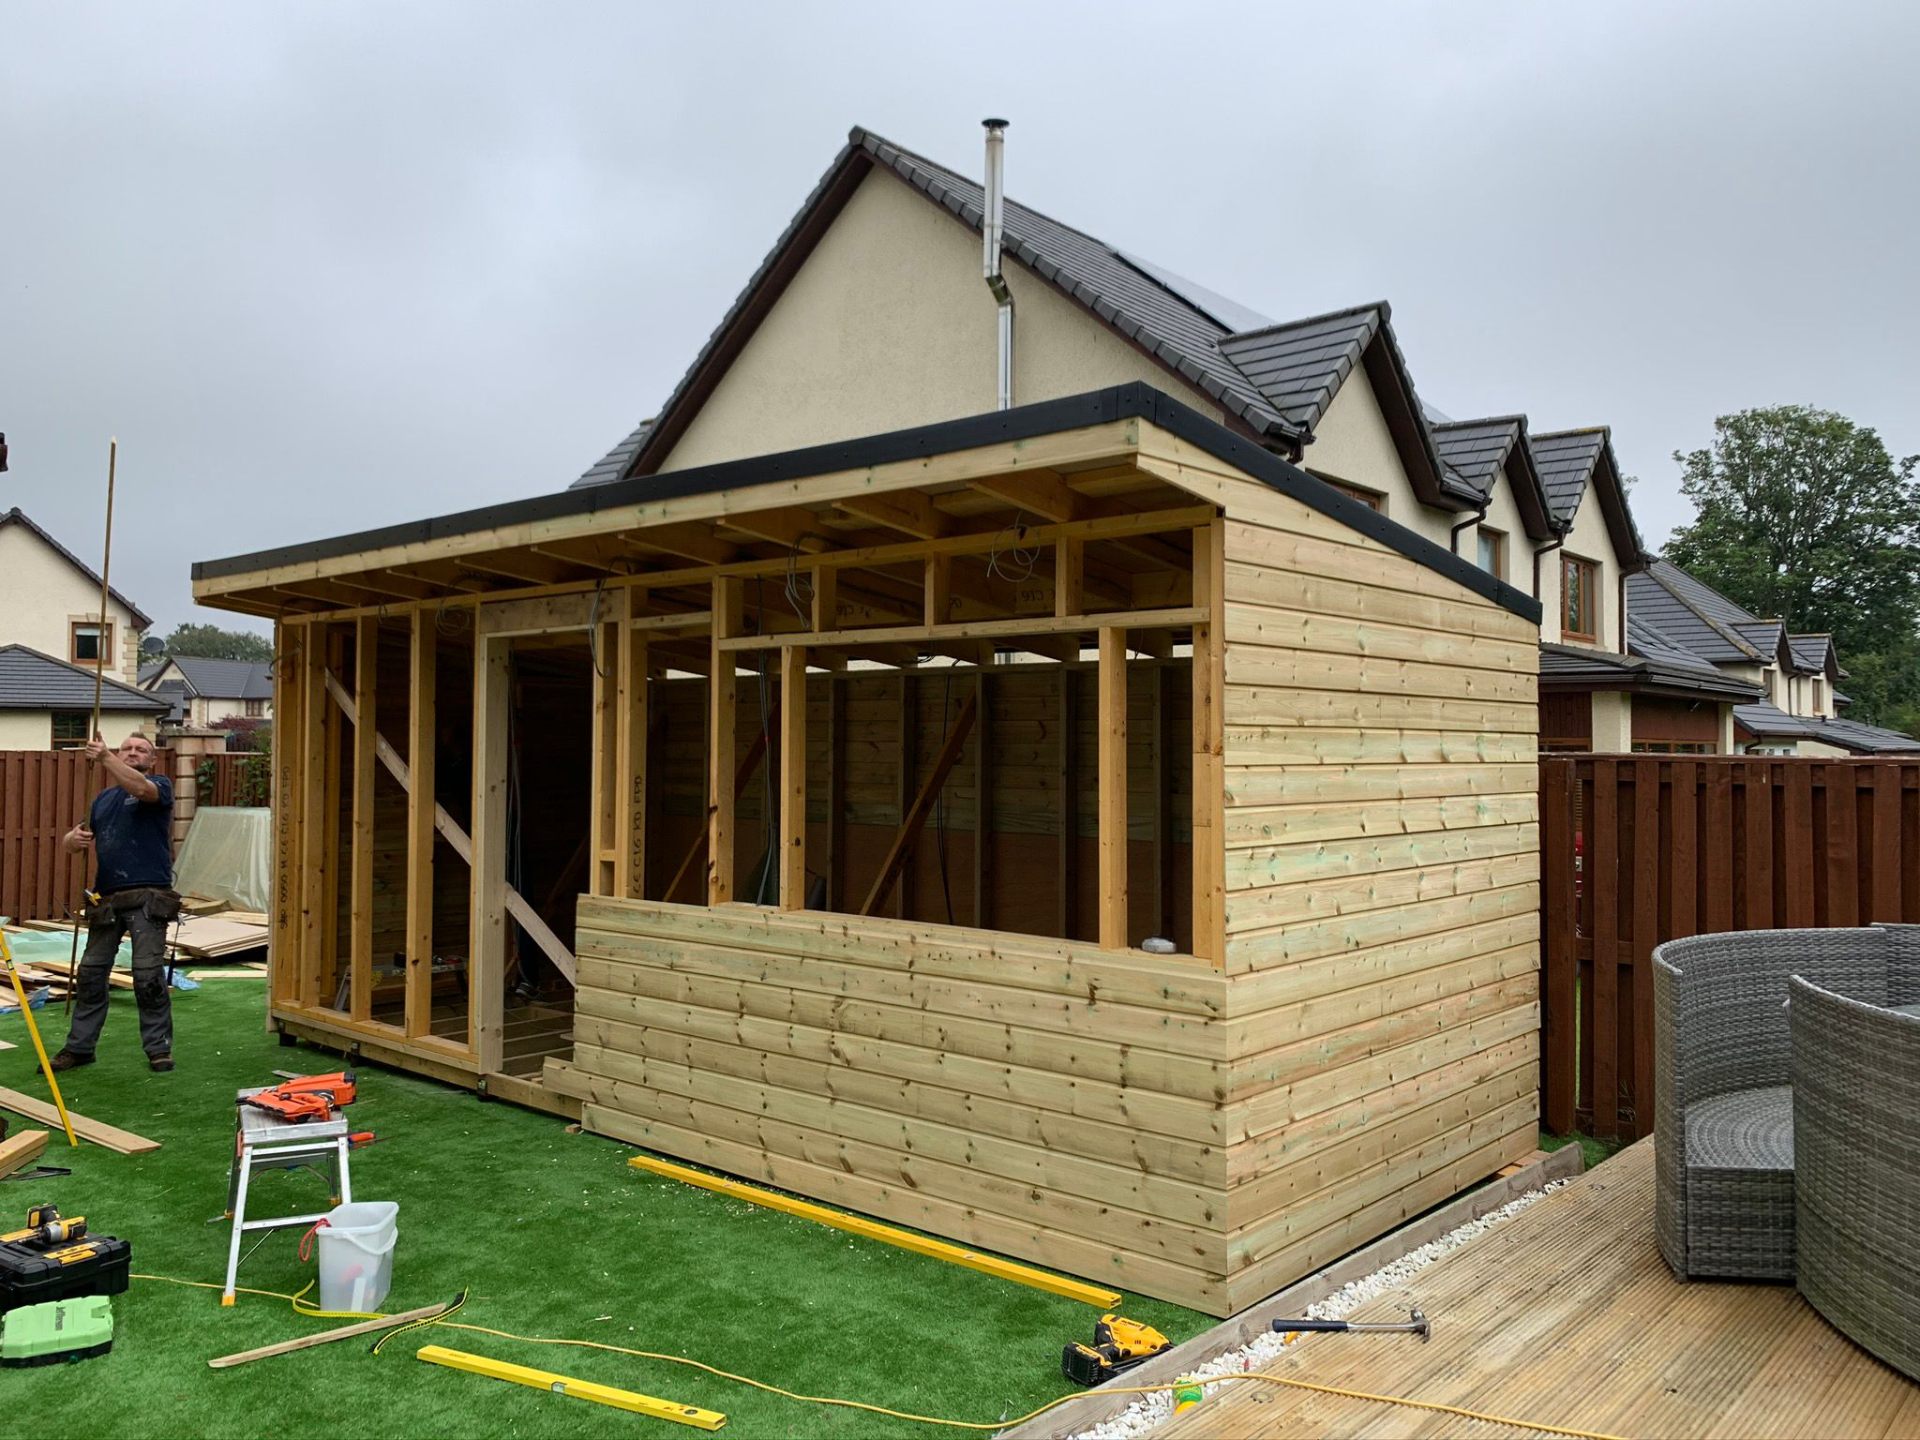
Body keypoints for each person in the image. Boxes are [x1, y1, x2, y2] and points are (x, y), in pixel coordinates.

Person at [47, 731, 180, 1073]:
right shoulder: (102, 800)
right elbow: (70, 842)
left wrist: (106, 757)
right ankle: (80, 1048)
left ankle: (158, 1049)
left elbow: (140, 789)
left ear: (152, 760)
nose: (133, 752)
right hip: (107, 897)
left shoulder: (160, 786)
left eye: (141, 750)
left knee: (147, 974)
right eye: (127, 749)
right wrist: (73, 839)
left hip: (149, 895)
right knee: (91, 973)